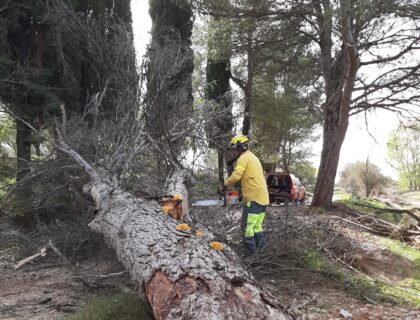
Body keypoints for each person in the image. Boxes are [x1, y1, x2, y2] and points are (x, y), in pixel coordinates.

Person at [219, 135, 269, 256]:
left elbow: (236, 176)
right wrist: (242, 195)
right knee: (257, 227)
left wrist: (224, 185)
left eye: (235, 148)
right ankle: (262, 255)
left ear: (240, 147)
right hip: (262, 197)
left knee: (247, 228)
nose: (233, 151)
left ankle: (251, 257)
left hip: (254, 199)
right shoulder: (253, 157)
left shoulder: (243, 158)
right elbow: (252, 180)